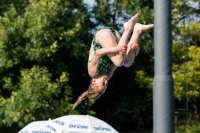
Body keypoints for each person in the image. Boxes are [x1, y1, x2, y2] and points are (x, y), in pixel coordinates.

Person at [71, 13, 154, 111]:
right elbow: (121, 59)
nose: (106, 82)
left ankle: (127, 28)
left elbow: (98, 53)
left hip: (103, 35)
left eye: (103, 83)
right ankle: (137, 30)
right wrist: (134, 52)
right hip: (114, 37)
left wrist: (116, 49)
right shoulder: (108, 75)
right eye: (106, 85)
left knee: (119, 61)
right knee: (126, 63)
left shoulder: (93, 72)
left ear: (94, 81)